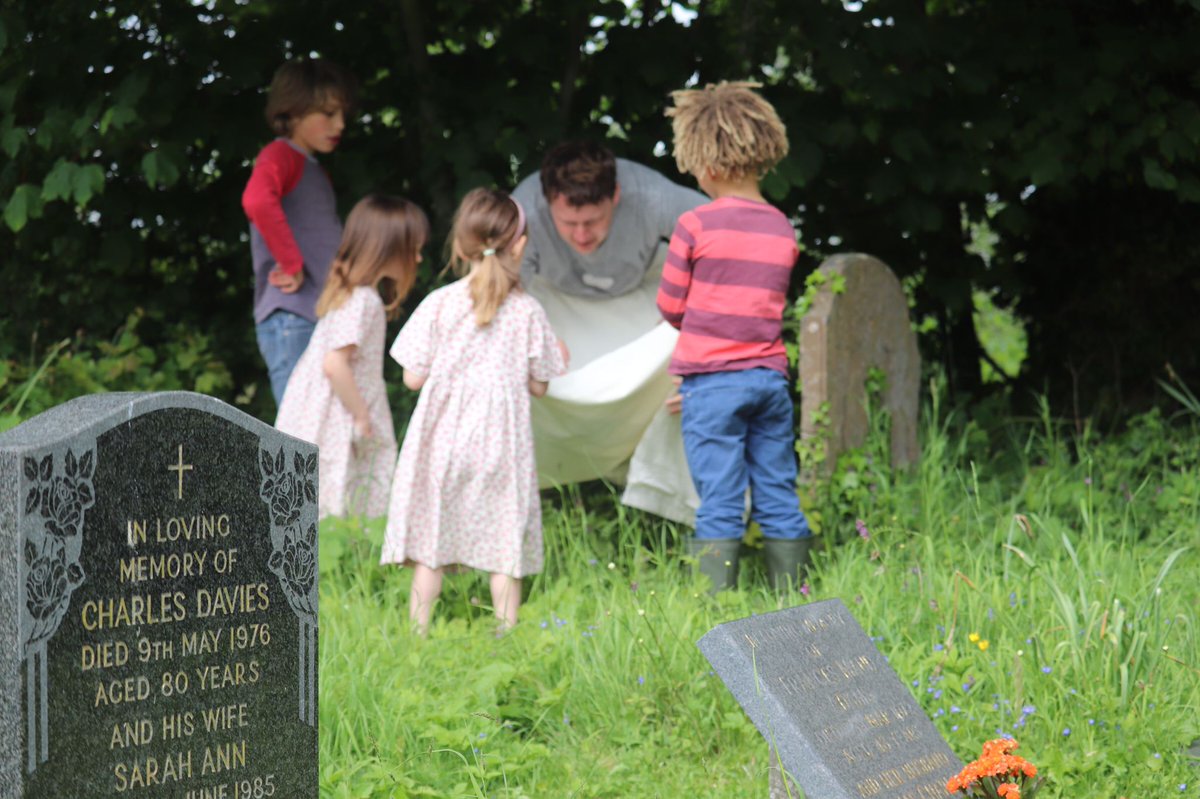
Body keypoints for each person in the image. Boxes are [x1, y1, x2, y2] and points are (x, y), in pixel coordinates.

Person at [381, 188, 567, 635]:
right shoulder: (526, 312)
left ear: (461, 246)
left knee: (432, 537)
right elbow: (540, 384)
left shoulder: (440, 302)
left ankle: (417, 632)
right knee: (505, 534)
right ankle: (505, 631)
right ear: (519, 245)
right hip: (501, 445)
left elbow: (411, 377)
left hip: (443, 441)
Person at [657, 81, 813, 593]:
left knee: (720, 498)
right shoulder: (780, 227)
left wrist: (704, 353)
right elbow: (762, 304)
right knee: (778, 492)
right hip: (768, 380)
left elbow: (671, 306)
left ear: (707, 161)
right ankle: (795, 596)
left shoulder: (695, 224)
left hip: (713, 386)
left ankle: (715, 607)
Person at [512, 141, 707, 523]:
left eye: (593, 221)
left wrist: (692, 327)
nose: (582, 235)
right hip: (554, 303)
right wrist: (535, 335)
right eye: (569, 223)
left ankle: (677, 504)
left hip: (644, 300)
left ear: (615, 196)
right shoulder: (523, 208)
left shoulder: (650, 195)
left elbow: (728, 239)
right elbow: (497, 290)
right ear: (548, 200)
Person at [276, 194, 429, 519]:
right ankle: (342, 560)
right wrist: (361, 414)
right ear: (389, 248)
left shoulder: (350, 294)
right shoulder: (364, 301)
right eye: (413, 248)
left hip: (322, 406)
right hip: (339, 410)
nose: (417, 258)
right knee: (342, 492)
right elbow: (335, 364)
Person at [243, 57, 357, 406]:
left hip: (314, 315)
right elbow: (257, 200)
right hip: (292, 316)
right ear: (291, 113)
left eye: (342, 114)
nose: (339, 124)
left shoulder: (311, 166)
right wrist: (291, 264)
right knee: (298, 438)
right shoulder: (281, 155)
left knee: (319, 434)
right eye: (327, 114)